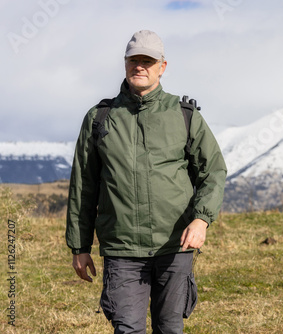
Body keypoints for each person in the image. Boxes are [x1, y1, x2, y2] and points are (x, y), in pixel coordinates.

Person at [66, 30, 227, 334]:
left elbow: (213, 171)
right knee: (127, 329)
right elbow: (83, 186)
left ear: (162, 66)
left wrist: (201, 220)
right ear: (125, 63)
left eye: (147, 61)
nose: (140, 66)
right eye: (133, 60)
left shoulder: (184, 116)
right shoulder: (100, 118)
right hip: (122, 249)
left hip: (174, 247)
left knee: (170, 328)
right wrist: (79, 245)